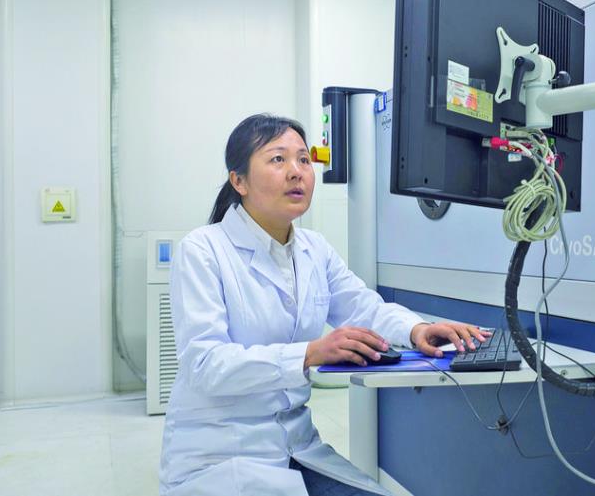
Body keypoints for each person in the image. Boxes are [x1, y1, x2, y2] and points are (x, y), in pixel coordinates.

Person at [159, 114, 489, 496]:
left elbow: (363, 307)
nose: (296, 172)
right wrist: (310, 353)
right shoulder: (202, 250)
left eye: (303, 159)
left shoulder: (314, 249)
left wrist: (417, 330)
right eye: (278, 159)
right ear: (239, 181)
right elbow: (205, 365)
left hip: (298, 446)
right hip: (221, 453)